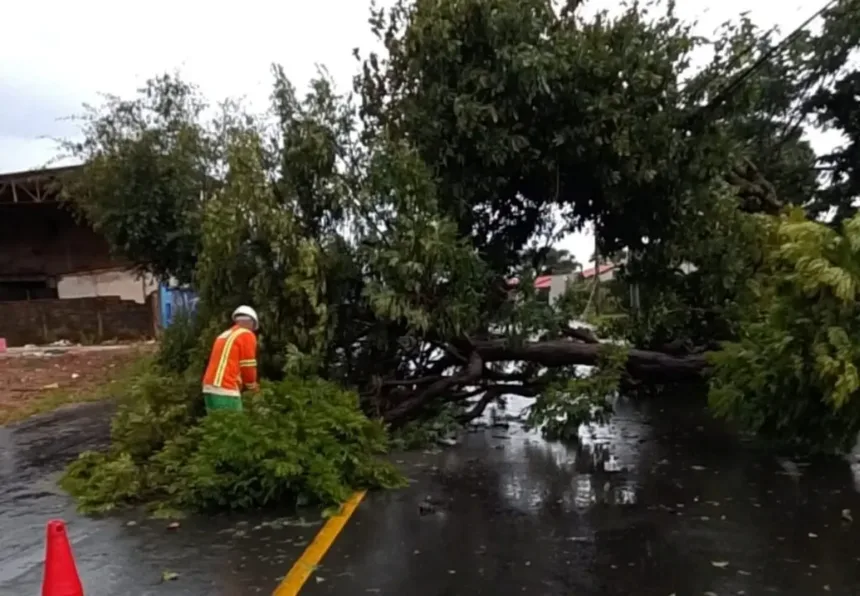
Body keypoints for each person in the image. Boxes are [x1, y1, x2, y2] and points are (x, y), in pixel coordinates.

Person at [201, 305, 259, 413]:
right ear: (251, 323)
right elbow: (247, 366)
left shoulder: (225, 335)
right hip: (226, 389)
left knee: (216, 427)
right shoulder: (246, 334)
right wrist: (253, 387)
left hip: (209, 388)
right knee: (234, 427)